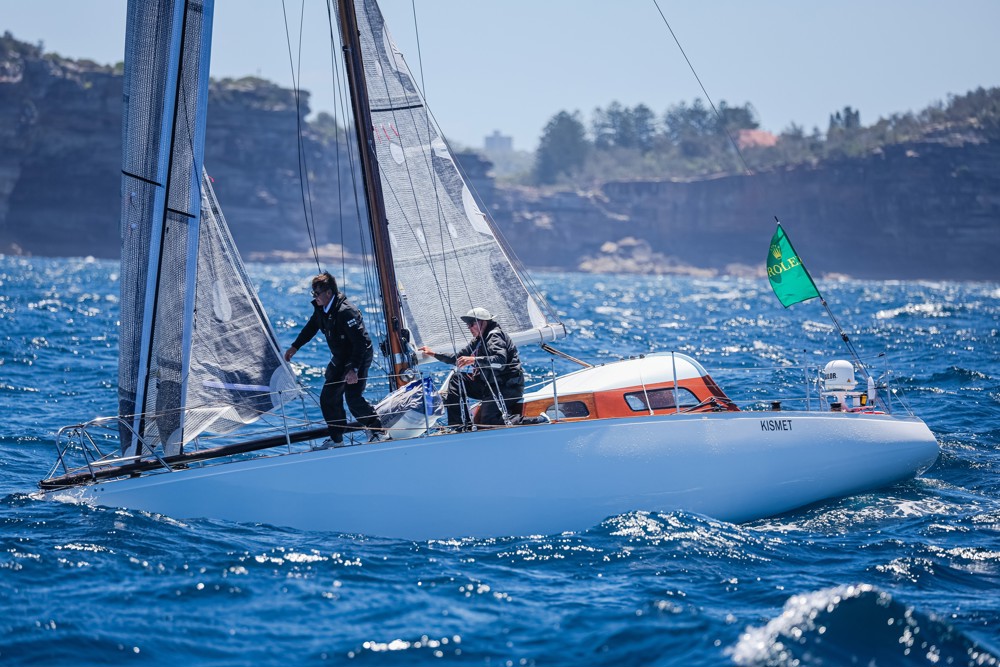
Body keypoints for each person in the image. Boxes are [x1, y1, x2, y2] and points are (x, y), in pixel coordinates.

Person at [284, 272, 383, 446]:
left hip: (358, 356)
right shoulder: (321, 309)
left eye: (317, 293)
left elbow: (360, 343)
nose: (315, 297)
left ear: (328, 293)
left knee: (352, 398)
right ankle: (337, 440)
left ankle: (377, 430)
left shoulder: (346, 312)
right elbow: (311, 328)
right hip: (341, 357)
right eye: (313, 294)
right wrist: (295, 346)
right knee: (328, 397)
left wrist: (354, 369)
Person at [418, 307, 524, 429]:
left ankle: (536, 420)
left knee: (489, 420)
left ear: (483, 322)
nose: (469, 328)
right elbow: (458, 358)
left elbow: (500, 361)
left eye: (471, 324)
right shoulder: (479, 339)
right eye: (467, 325)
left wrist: (474, 360)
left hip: (507, 388)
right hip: (489, 386)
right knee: (458, 379)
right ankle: (460, 425)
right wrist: (434, 354)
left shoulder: (494, 336)